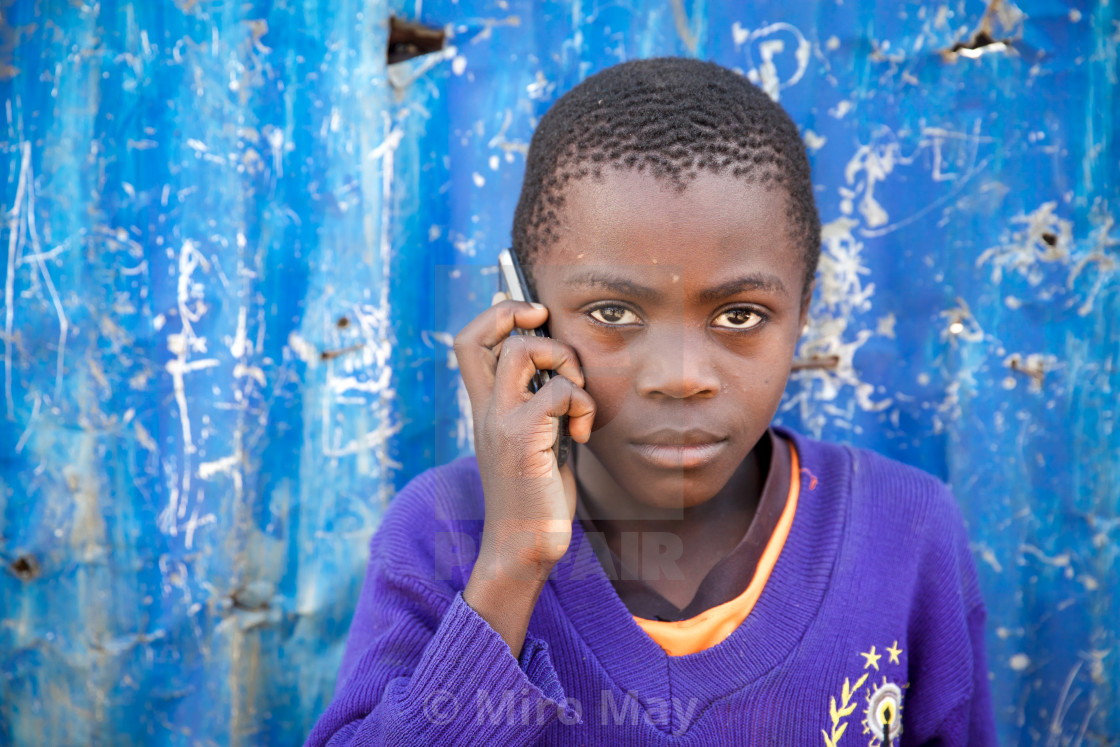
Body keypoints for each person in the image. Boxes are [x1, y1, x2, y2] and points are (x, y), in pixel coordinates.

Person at [304, 57, 996, 746]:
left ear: (804, 311)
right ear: (525, 312)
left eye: (739, 316)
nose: (680, 377)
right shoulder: (444, 531)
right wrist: (513, 563)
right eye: (612, 311)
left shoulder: (905, 529)